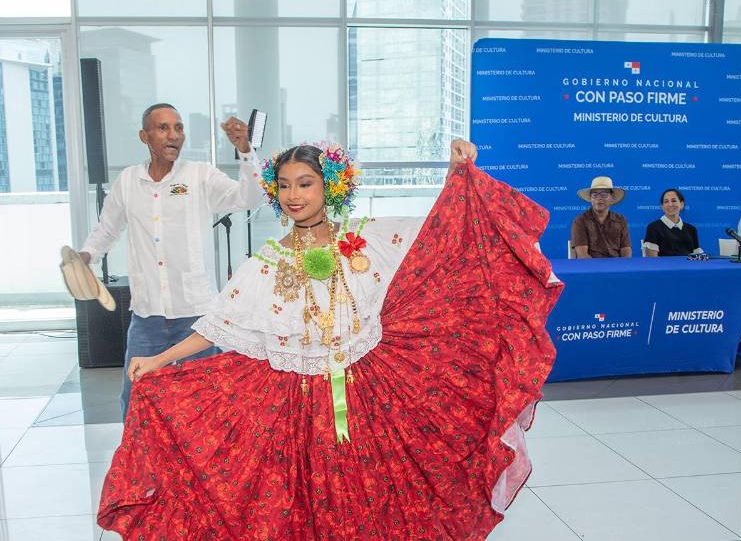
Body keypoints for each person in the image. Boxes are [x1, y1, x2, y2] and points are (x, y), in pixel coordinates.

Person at [96, 140, 563, 539]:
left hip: (367, 395)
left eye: (305, 183)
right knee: (297, 499)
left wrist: (455, 171)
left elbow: (439, 238)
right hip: (293, 403)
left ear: (330, 186)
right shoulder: (269, 260)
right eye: (284, 185)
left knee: (370, 494)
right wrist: (160, 359)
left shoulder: (367, 239)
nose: (293, 195)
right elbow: (220, 324)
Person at [77, 103, 265, 417]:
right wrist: (85, 256)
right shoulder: (127, 181)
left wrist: (245, 150)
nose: (174, 135)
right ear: (144, 136)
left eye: (178, 128)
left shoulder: (199, 175)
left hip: (198, 319)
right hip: (147, 319)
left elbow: (250, 197)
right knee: (136, 404)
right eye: (163, 128)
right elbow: (107, 229)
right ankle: (140, 467)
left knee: (208, 406)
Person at [570, 176, 631, 258]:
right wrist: (599, 270)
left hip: (617, 267)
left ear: (612, 198)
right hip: (590, 268)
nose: (599, 198)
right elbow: (582, 255)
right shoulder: (580, 220)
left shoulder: (620, 220)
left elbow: (626, 251)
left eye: (604, 194)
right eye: (595, 195)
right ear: (590, 198)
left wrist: (622, 268)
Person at [642, 189, 703, 257]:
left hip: (688, 267)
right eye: (666, 201)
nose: (670, 204)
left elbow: (697, 258)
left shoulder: (691, 229)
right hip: (663, 267)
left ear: (682, 204)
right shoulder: (653, 228)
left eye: (673, 201)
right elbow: (652, 261)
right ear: (662, 206)